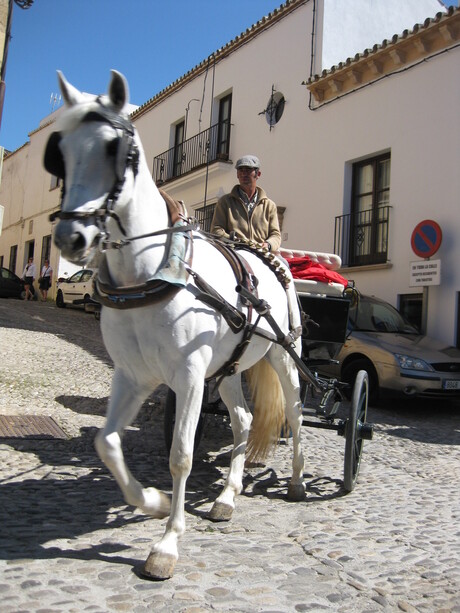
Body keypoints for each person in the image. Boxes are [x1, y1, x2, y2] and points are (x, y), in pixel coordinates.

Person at [210, 155, 281, 252]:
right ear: (237, 175)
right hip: (234, 251)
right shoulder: (225, 202)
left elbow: (275, 235)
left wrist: (268, 245)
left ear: (258, 174)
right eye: (240, 170)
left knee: (284, 264)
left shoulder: (269, 205)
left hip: (262, 253)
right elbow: (216, 230)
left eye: (248, 170)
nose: (244, 174)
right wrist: (237, 241)